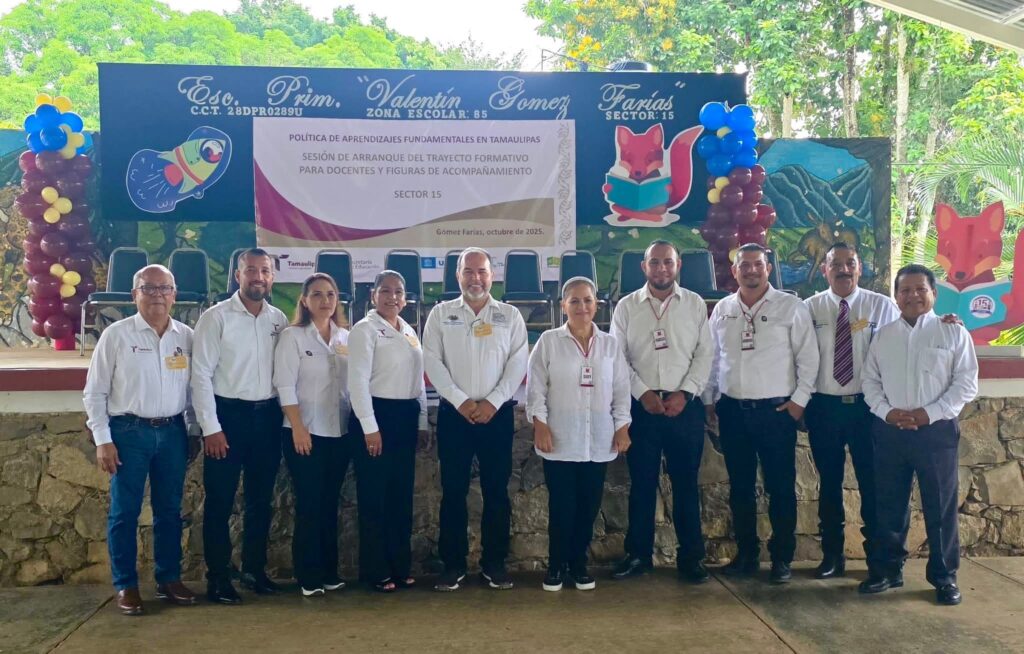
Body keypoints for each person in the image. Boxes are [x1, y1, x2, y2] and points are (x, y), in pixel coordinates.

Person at [859, 264, 978, 606]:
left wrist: (929, 414)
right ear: (895, 296)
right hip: (890, 431)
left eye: (919, 289)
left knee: (940, 507)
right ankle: (888, 571)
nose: (912, 295)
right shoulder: (883, 335)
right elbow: (870, 381)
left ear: (933, 293)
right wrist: (886, 412)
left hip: (935, 432)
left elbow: (965, 383)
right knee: (889, 505)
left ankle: (944, 577)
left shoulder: (952, 333)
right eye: (905, 290)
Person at [83, 264, 197, 616]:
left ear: (175, 295)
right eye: (149, 289)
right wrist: (103, 439)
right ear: (134, 295)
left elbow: (194, 389)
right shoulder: (116, 335)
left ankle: (168, 578)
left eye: (164, 289)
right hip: (128, 433)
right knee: (125, 512)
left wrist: (193, 430)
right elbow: (94, 392)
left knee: (169, 511)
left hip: (173, 432)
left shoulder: (186, 337)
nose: (157, 295)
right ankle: (126, 585)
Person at [704, 243, 819, 584]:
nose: (751, 270)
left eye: (757, 264)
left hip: (776, 413)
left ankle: (782, 558)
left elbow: (808, 358)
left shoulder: (790, 306)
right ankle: (747, 555)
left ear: (767, 268)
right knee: (740, 488)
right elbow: (712, 359)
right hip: (733, 411)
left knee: (780, 488)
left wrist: (798, 403)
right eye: (744, 265)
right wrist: (710, 399)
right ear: (734, 270)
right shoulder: (723, 309)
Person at [609, 240, 714, 584]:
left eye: (667, 262)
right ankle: (638, 555)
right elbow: (617, 357)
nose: (661, 269)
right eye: (654, 263)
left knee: (686, 485)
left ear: (678, 264)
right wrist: (642, 394)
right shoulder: (626, 307)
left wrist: (685, 393)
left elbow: (705, 354)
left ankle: (692, 558)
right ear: (644, 267)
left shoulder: (695, 304)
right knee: (641, 485)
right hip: (643, 410)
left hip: (685, 408)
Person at [423, 247, 528, 592]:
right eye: (468, 272)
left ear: (491, 275)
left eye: (481, 271)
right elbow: (433, 363)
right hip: (456, 416)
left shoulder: (510, 315)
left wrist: (493, 403)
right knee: (453, 493)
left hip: (496, 417)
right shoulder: (440, 314)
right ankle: (453, 565)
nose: (475, 278)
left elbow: (517, 364)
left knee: (496, 492)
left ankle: (494, 564)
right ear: (458, 276)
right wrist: (461, 401)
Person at [192, 248, 288, 604]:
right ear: (237, 275)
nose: (258, 277)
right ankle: (218, 578)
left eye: (264, 271)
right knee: (219, 502)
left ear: (272, 277)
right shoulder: (215, 318)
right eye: (251, 270)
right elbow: (200, 375)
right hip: (226, 418)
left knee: (260, 501)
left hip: (267, 418)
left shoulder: (278, 319)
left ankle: (253, 569)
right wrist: (211, 427)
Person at [527, 277, 632, 592]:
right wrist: (540, 424)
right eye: (574, 301)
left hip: (598, 440)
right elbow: (536, 388)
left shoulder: (611, 345)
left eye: (587, 300)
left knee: (587, 507)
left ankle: (578, 564)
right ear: (563, 306)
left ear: (596, 304)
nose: (582, 307)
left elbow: (622, 391)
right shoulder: (548, 341)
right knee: (561, 507)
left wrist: (622, 426)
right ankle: (556, 565)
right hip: (560, 439)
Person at [803, 242, 899, 579]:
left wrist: (947, 321)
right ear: (826, 269)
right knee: (828, 485)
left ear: (860, 268)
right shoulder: (810, 308)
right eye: (836, 264)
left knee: (872, 485)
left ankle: (878, 558)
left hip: (866, 409)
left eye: (850, 263)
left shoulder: (882, 307)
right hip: (824, 408)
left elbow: (911, 334)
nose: (843, 269)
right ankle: (832, 556)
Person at [348, 270, 428, 593]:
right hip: (376, 419)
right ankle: (375, 570)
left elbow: (419, 380)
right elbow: (357, 383)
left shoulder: (408, 331)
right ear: (373, 295)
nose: (392, 297)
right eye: (385, 291)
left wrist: (421, 422)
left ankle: (398, 565)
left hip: (405, 418)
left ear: (405, 299)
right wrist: (370, 427)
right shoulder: (364, 330)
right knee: (374, 499)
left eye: (398, 292)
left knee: (400, 497)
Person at [274, 273, 352, 597]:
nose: (325, 301)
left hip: (339, 431)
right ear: (304, 301)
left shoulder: (345, 338)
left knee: (330, 504)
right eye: (317, 295)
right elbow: (284, 386)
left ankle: (328, 571)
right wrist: (299, 427)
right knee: (309, 504)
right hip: (304, 433)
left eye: (331, 294)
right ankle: (308, 576)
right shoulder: (293, 337)